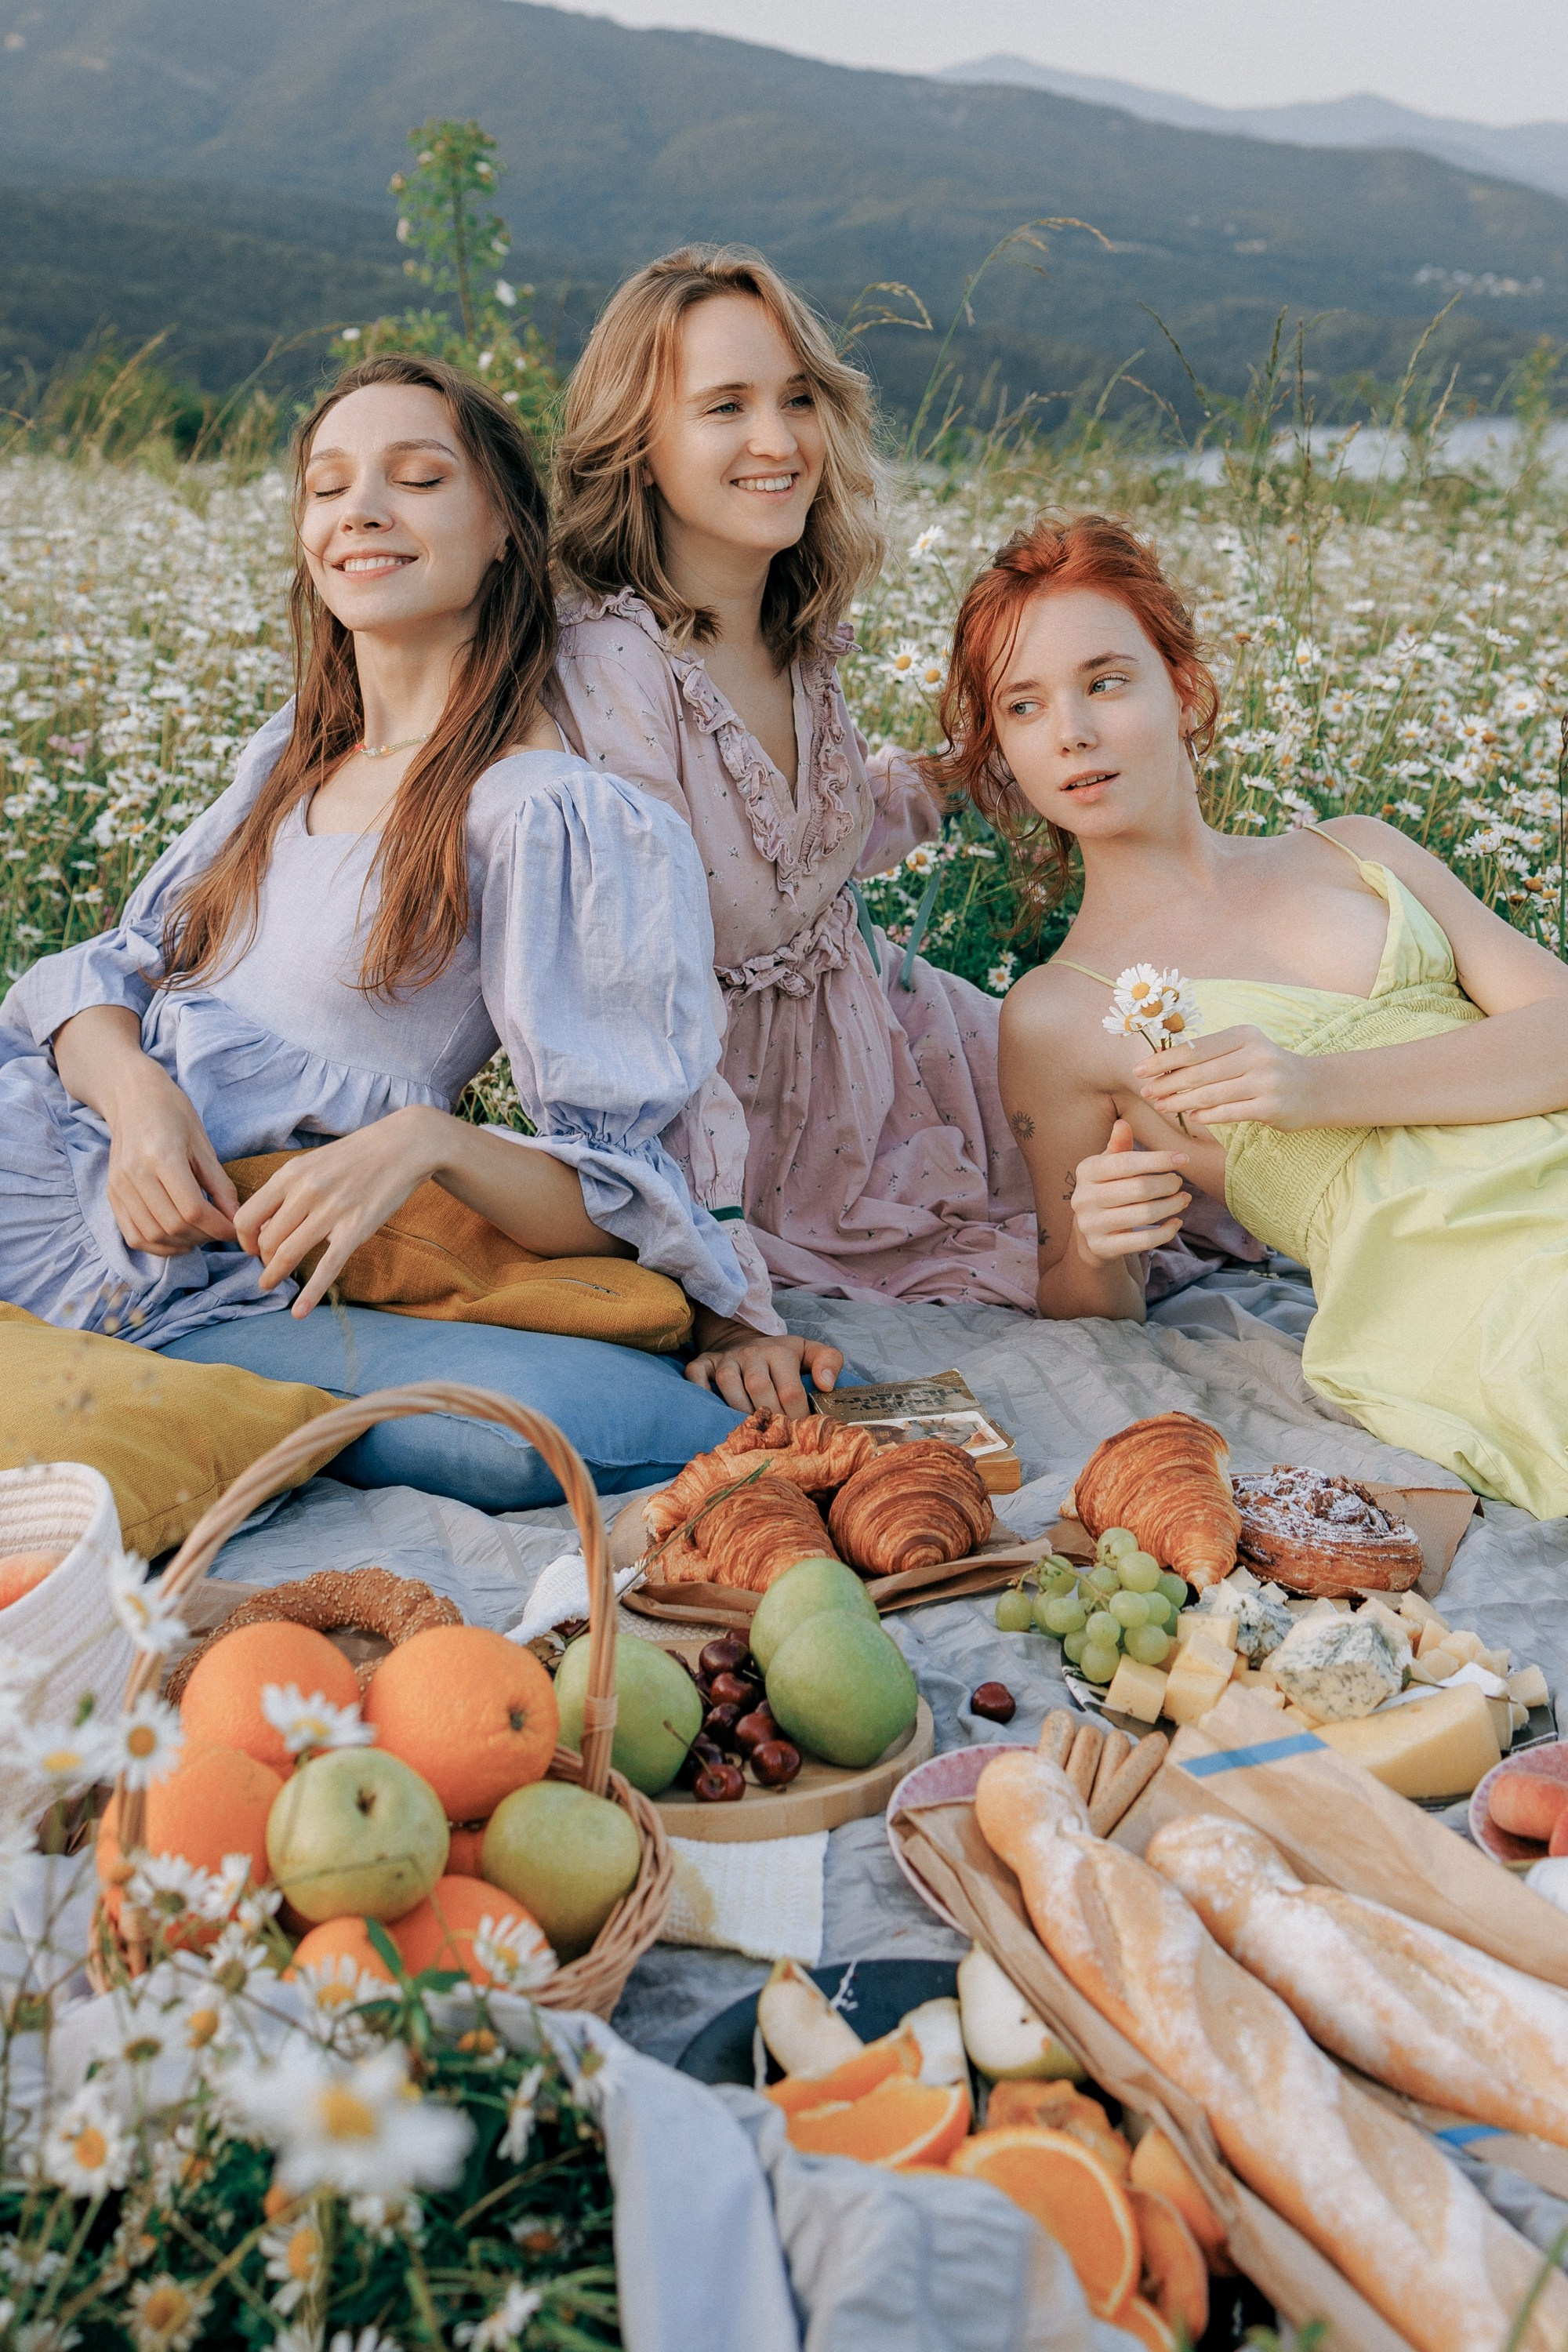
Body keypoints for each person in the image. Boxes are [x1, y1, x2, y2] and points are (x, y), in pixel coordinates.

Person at [0, 353, 754, 1509]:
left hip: (197, 1263)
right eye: (328, 485)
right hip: (60, 1142)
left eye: (415, 479)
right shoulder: (288, 756)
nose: (359, 511)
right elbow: (97, 977)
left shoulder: (539, 811)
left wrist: (426, 1142)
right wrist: (141, 1100)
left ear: (504, 525)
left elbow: (621, 1193)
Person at [930, 508, 1568, 1517]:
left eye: (1103, 681)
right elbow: (1079, 1293)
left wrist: (1316, 1086)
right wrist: (1100, 1242)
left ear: (1181, 690)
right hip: (1460, 1283)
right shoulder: (1058, 1012)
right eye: (1022, 707)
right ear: (1002, 749)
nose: (1072, 732)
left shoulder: (1356, 849)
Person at [546, 245, 1040, 1413]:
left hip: (876, 1043)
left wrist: (964, 775)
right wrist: (725, 1287)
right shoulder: (613, 667)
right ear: (636, 441)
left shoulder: (795, 625)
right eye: (725, 406)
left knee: (1139, 1111)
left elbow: (796, 854)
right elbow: (641, 989)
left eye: (798, 397)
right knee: (1044, 1227)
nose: (780, 441)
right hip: (744, 1127)